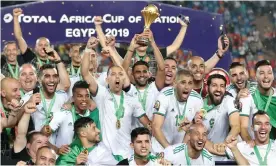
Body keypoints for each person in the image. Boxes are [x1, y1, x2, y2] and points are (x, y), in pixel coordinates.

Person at [81, 46, 151, 160]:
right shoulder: (102, 94)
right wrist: (88, 49)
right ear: (107, 80)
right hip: (105, 154)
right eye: (113, 74)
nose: (117, 77)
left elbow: (148, 124)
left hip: (127, 154)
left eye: (120, 75)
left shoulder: (132, 100)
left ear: (124, 79)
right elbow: (85, 73)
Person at [152, 69, 203, 153]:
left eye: (190, 83)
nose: (187, 87)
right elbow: (156, 127)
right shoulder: (164, 96)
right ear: (175, 83)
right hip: (160, 148)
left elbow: (198, 129)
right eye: (183, 82)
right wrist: (170, 150)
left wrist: (192, 127)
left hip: (182, 149)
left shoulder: (197, 99)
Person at [122, 29, 165, 127]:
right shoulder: (130, 90)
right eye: (138, 72)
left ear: (149, 73)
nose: (141, 75)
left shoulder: (155, 88)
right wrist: (131, 48)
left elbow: (162, 68)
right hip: (133, 136)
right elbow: (122, 71)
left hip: (153, 136)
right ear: (132, 75)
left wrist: (152, 43)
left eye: (144, 71)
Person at [42, 80, 100, 150]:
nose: (84, 99)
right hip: (64, 158)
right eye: (80, 96)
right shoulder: (63, 113)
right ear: (73, 98)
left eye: (87, 96)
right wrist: (56, 149)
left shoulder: (93, 113)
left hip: (86, 158)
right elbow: (42, 134)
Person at [195, 74, 240, 161]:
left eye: (222, 86)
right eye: (214, 85)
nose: (218, 89)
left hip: (224, 154)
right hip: (203, 156)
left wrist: (225, 143)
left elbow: (236, 126)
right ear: (207, 88)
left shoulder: (229, 100)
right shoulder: (198, 105)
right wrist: (212, 147)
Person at [32, 63, 69, 144]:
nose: (52, 80)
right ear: (39, 79)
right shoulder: (31, 97)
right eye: (47, 76)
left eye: (55, 76)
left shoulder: (64, 97)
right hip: (38, 148)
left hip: (59, 150)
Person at [239, 60, 276, 140]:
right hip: (255, 146)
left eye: (269, 73)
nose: (266, 76)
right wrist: (250, 145)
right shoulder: (247, 96)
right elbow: (243, 127)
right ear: (255, 77)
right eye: (262, 73)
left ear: (273, 76)